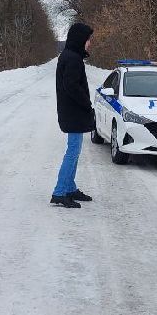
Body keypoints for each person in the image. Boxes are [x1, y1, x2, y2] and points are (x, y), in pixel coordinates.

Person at [52, 22, 95, 209]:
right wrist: (87, 102)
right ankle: (60, 192)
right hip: (73, 113)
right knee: (72, 152)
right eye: (88, 40)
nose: (89, 43)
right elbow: (71, 85)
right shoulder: (72, 59)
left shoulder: (70, 56)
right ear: (80, 39)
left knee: (74, 152)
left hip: (71, 113)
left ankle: (70, 187)